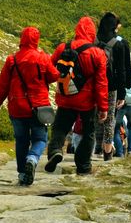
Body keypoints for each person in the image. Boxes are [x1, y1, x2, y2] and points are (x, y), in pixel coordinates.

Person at [0, 26, 59, 186]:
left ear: (21, 39)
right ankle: (32, 159)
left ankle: (22, 173)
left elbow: (2, 86)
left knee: (21, 140)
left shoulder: (12, 60)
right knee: (41, 138)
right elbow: (54, 76)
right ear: (36, 40)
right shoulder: (43, 58)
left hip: (17, 107)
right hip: (39, 107)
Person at [44, 16, 109, 176]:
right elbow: (101, 83)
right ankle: (83, 165)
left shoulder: (63, 48)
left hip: (66, 97)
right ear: (93, 32)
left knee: (60, 127)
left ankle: (55, 151)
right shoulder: (98, 53)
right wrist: (103, 108)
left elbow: (50, 70)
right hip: (87, 103)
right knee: (89, 133)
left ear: (77, 30)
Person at [95, 12, 131, 161]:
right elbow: (122, 71)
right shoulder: (118, 44)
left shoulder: (94, 41)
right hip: (111, 86)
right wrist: (122, 94)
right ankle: (107, 151)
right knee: (110, 118)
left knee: (97, 116)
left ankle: (97, 146)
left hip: (94, 85)